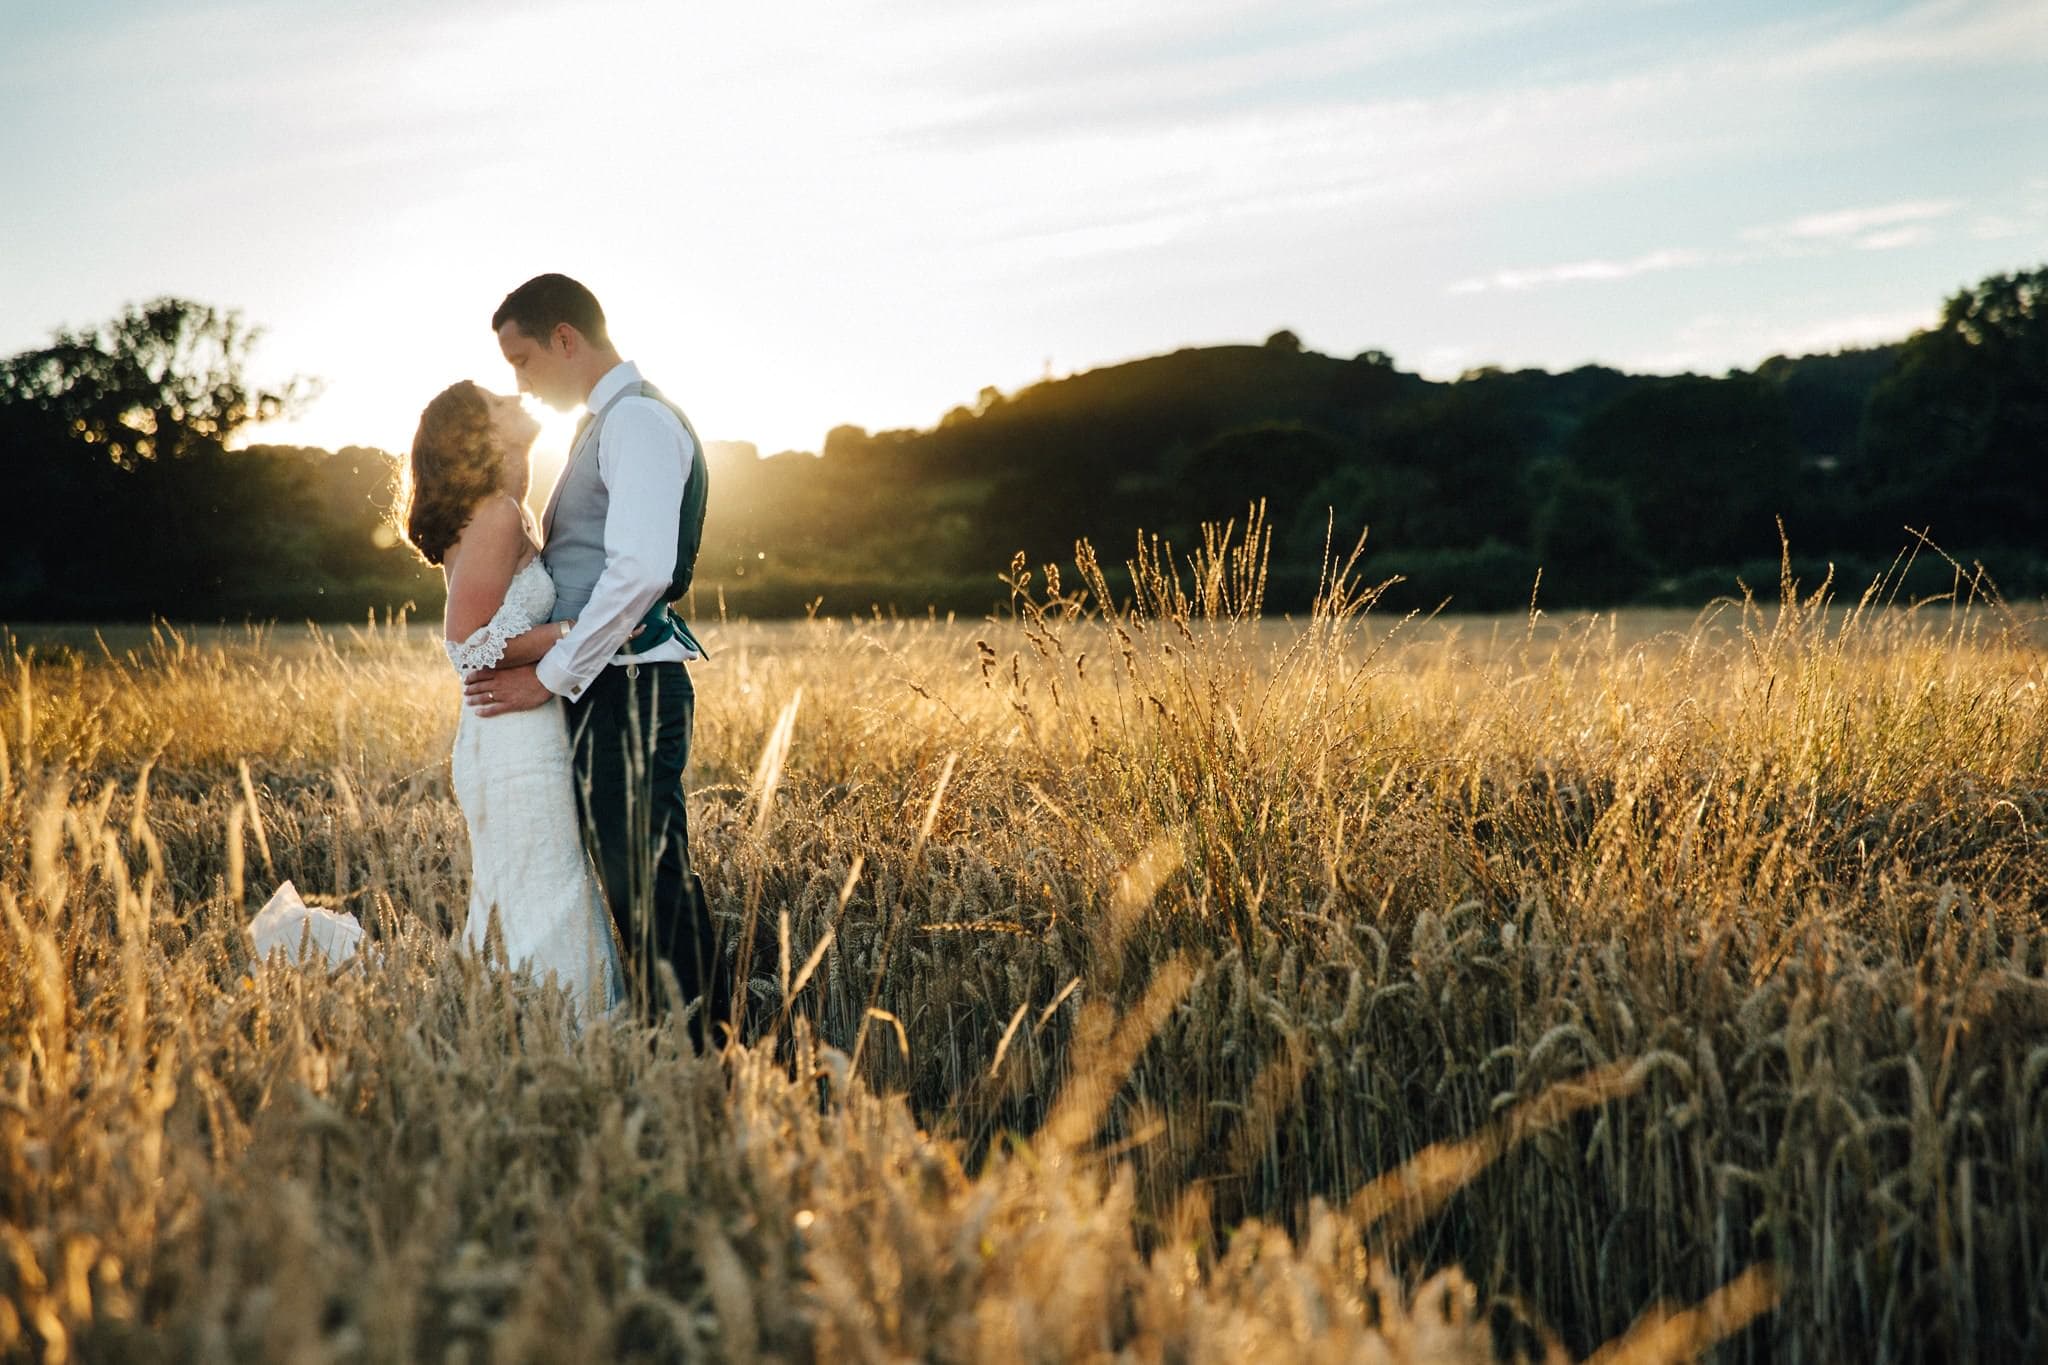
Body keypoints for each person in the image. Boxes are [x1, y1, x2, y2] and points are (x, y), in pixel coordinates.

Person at [462, 273, 724, 1044]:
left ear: (566, 339)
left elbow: (641, 571)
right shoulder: (605, 421)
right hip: (611, 688)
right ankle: (678, 1044)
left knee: (647, 881)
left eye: (522, 360)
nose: (520, 381)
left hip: (631, 691)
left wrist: (549, 671)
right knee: (634, 877)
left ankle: (700, 1050)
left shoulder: (636, 421)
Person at [403, 380, 622, 1017]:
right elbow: (465, 647)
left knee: (537, 890)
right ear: (482, 436)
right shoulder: (496, 514)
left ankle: (514, 1028)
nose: (519, 400)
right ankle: (561, 1033)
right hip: (512, 734)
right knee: (547, 890)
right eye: (501, 403)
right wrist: (571, 633)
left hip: (521, 722)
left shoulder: (507, 507)